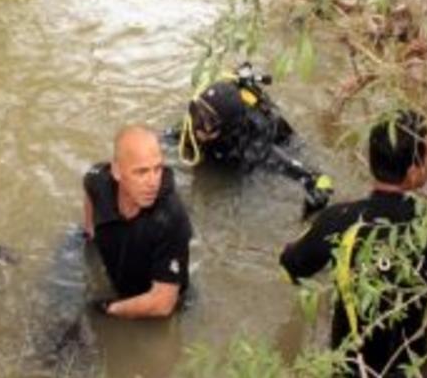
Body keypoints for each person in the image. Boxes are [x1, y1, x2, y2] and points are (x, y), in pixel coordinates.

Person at [279, 110, 427, 377]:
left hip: (349, 371)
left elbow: (289, 269)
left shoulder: (338, 221)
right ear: (413, 172)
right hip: (411, 371)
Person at [179, 63, 333, 215]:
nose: (197, 124)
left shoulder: (253, 147)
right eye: (195, 111)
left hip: (274, 140)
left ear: (226, 127)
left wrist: (316, 197)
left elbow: (311, 177)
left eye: (208, 120)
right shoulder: (194, 125)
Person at [83, 124, 192, 318]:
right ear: (116, 171)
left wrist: (108, 309)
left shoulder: (172, 218)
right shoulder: (99, 180)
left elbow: (162, 304)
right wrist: (89, 233)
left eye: (157, 169)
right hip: (120, 274)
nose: (153, 183)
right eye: (141, 172)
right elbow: (89, 187)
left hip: (154, 305)